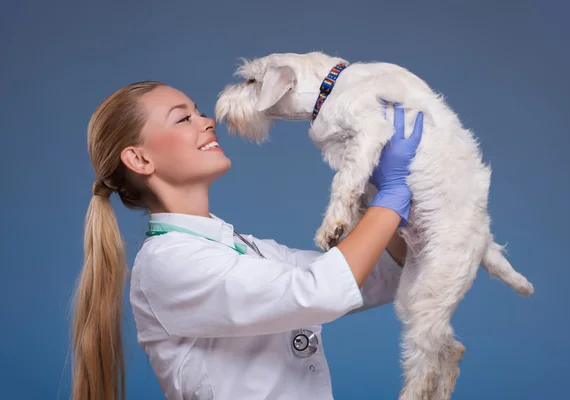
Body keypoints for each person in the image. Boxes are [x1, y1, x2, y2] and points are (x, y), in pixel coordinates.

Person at [71, 81, 424, 400]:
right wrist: (391, 195)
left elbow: (374, 276)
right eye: (183, 119)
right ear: (139, 158)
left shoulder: (242, 247)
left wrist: (394, 186)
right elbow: (321, 292)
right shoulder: (167, 263)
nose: (207, 122)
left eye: (200, 113)